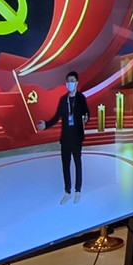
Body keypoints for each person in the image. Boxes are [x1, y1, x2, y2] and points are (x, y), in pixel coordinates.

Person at [37, 71, 90, 205]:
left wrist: (86, 117)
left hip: (77, 137)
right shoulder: (63, 100)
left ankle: (78, 191)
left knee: (77, 163)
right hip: (65, 138)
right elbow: (56, 117)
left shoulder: (81, 98)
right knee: (65, 165)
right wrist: (46, 125)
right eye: (68, 81)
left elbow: (86, 112)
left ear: (76, 83)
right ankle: (67, 191)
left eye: (72, 81)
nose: (69, 84)